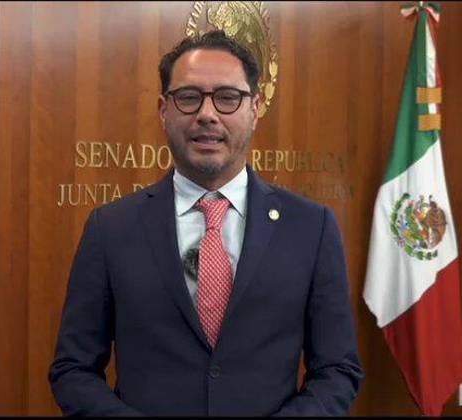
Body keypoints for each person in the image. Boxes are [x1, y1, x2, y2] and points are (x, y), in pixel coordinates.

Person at [49, 30, 363, 416]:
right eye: (189, 97)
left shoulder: (311, 228)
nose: (207, 114)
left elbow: (337, 371)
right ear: (164, 110)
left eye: (228, 97)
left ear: (255, 108)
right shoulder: (110, 229)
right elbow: (73, 370)